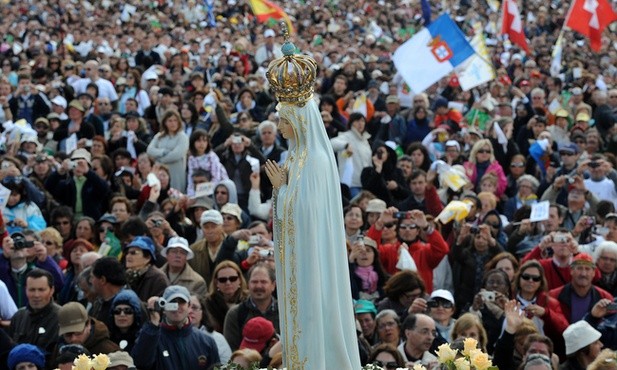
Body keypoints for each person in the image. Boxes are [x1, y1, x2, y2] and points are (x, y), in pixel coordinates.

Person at [263, 31, 363, 370]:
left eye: (283, 119)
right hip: (298, 256)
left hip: (312, 257)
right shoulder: (293, 157)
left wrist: (280, 189)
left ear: (299, 120)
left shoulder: (316, 160)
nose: (279, 126)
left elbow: (305, 212)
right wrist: (282, 188)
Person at [132, 285, 220, 369]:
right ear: (164, 307)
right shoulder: (151, 337)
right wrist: (153, 322)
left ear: (189, 306)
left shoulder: (206, 341)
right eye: (172, 302)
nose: (177, 307)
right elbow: (140, 363)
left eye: (181, 302)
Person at [223, 263, 279, 350]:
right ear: (248, 284)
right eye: (254, 282)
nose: (258, 286)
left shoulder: (285, 313)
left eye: (263, 282)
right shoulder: (235, 314)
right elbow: (232, 351)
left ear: (273, 285)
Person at [8, 269, 60, 357]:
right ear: (26, 290)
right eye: (32, 290)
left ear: (52, 290)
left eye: (41, 290)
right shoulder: (18, 317)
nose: (36, 295)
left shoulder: (61, 317)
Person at [146, 110, 190, 191]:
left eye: (175, 120)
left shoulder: (183, 137)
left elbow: (177, 154)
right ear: (165, 122)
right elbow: (150, 150)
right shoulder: (159, 136)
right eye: (170, 121)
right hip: (160, 173)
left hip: (176, 173)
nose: (173, 123)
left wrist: (159, 160)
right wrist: (163, 151)